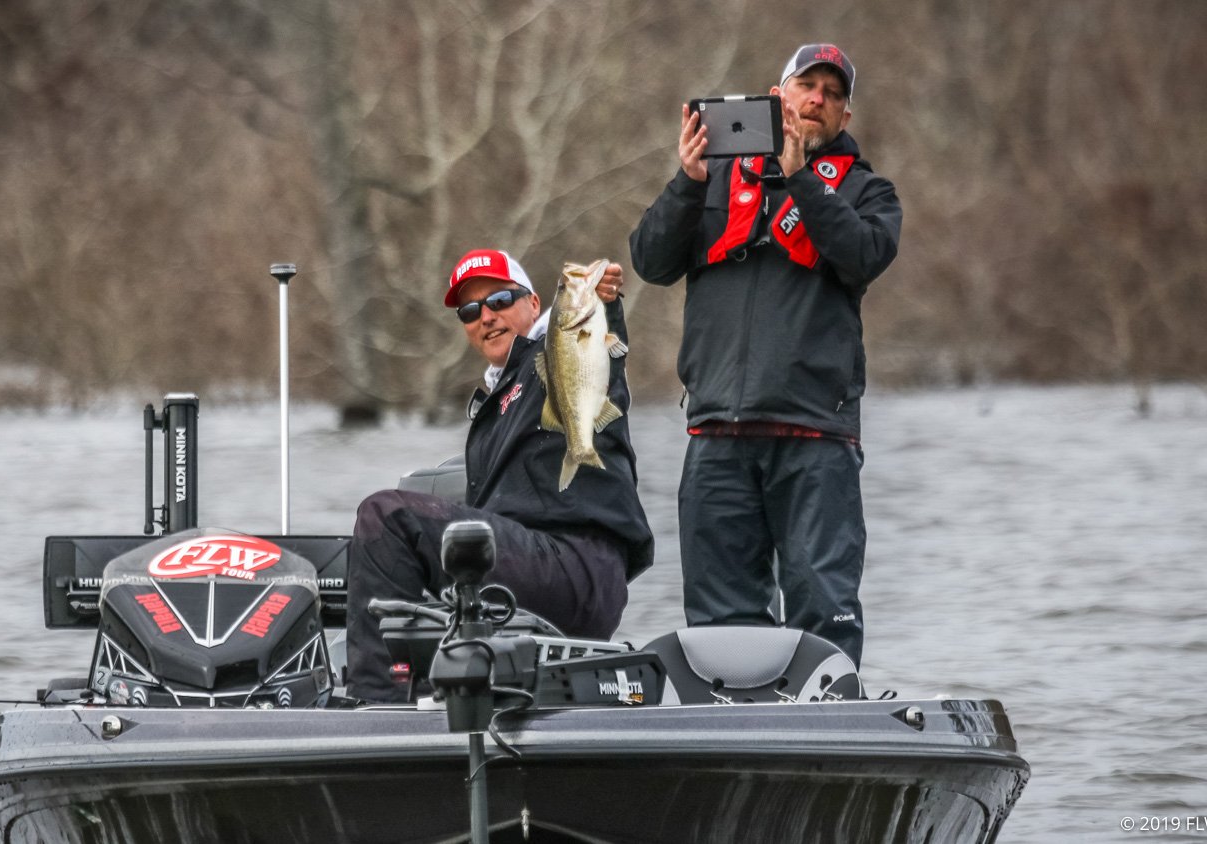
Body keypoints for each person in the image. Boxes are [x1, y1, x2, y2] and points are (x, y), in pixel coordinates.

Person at [628, 43, 902, 668]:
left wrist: (802, 177)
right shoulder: (716, 179)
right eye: (808, 85)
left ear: (845, 118)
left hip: (815, 439)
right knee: (721, 628)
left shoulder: (867, 191)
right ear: (777, 96)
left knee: (822, 609)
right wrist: (687, 179)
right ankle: (733, 731)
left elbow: (863, 254)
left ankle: (827, 735)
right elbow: (650, 259)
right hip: (717, 436)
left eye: (834, 95)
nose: (818, 100)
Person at [345, 248, 654, 703]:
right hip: (529, 566)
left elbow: (594, 346)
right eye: (470, 311)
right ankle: (429, 692)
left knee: (385, 515)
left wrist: (601, 299)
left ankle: (375, 705)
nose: (486, 316)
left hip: (576, 566)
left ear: (534, 304)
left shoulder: (558, 353)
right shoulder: (496, 403)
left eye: (501, 300)